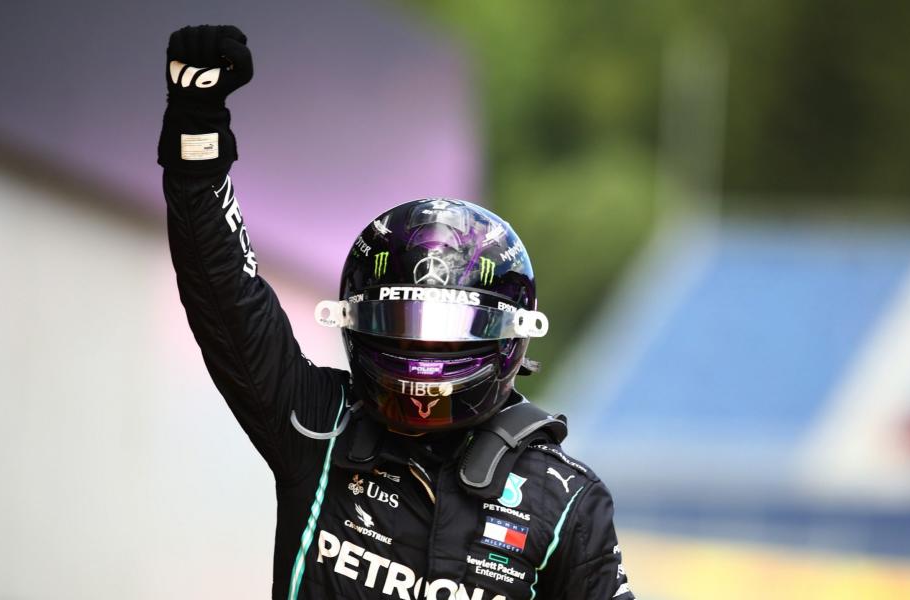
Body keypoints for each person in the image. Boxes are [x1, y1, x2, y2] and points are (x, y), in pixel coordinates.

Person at [158, 24, 634, 600]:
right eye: (403, 327)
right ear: (359, 323)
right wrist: (196, 134)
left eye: (448, 333)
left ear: (508, 337)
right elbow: (224, 299)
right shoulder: (320, 427)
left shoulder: (566, 505)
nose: (423, 358)